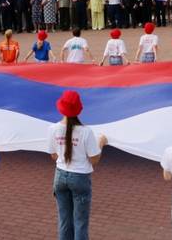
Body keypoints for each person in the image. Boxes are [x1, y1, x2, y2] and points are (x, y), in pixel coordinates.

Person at [49, 90, 108, 240]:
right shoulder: (86, 132)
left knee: (64, 221)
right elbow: (94, 159)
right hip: (80, 178)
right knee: (80, 222)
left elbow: (53, 155)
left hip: (60, 176)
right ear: (78, 108)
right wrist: (101, 143)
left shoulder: (53, 129)